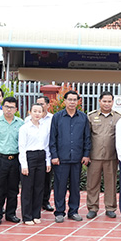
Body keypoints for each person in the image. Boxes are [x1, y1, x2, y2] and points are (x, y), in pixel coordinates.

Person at [49, 90, 90, 223]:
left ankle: (73, 211)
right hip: (61, 159)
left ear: (78, 101)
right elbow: (52, 138)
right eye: (70, 99)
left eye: (74, 100)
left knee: (75, 187)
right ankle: (59, 212)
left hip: (77, 158)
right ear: (65, 101)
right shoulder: (57, 117)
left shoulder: (83, 117)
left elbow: (87, 137)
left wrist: (86, 154)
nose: (72, 102)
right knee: (60, 187)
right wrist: (54, 155)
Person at [0, 97, 23, 225]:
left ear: (16, 109)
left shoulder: (20, 123)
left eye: (12, 107)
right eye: (7, 107)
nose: (9, 110)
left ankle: (10, 214)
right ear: (2, 107)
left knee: (13, 189)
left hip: (15, 160)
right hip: (0, 159)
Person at [86, 91, 120, 220]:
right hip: (94, 156)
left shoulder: (118, 118)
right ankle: (92, 208)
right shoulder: (91, 117)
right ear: (99, 101)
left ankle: (110, 208)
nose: (107, 104)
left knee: (111, 184)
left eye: (109, 101)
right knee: (92, 183)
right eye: (104, 101)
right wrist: (86, 154)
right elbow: (87, 136)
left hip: (111, 156)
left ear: (113, 102)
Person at [18, 102, 51, 225]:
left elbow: (46, 145)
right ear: (29, 112)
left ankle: (36, 214)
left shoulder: (44, 127)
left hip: (41, 157)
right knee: (27, 188)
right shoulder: (24, 128)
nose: (37, 114)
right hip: (29, 157)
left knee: (39, 187)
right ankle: (27, 216)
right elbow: (21, 147)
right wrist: (24, 165)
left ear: (43, 113)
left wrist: (47, 161)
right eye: (35, 111)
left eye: (39, 111)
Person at [36, 95, 55, 212]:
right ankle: (35, 201)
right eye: (37, 103)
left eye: (42, 104)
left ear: (48, 105)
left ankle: (45, 201)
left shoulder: (53, 118)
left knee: (47, 179)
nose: (40, 106)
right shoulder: (29, 119)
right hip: (34, 153)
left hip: (48, 152)